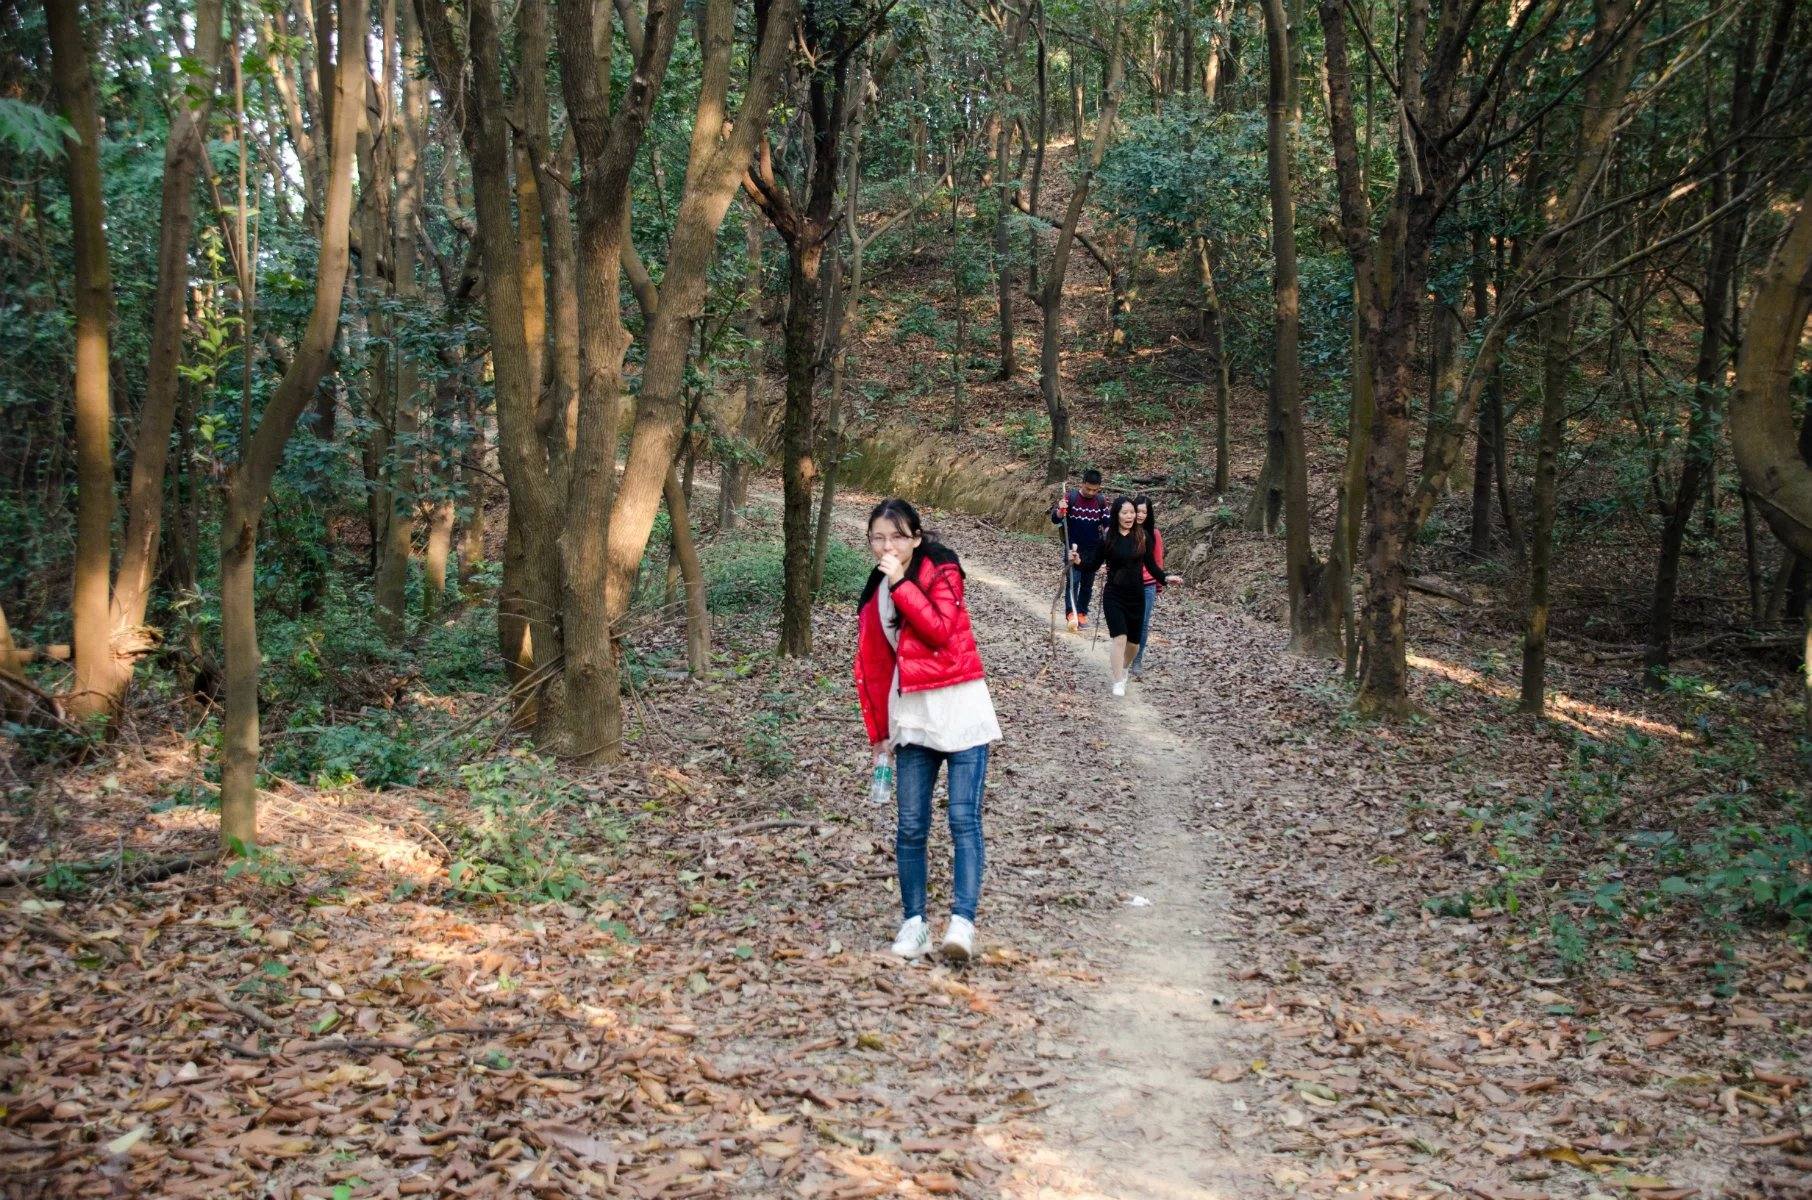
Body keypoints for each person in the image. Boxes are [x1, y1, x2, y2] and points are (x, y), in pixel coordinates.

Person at [854, 499, 1001, 963]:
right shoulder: (875, 590)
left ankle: (962, 922)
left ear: (916, 538)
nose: (887, 546)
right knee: (912, 826)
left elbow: (939, 630)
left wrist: (900, 583)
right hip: (912, 715)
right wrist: (879, 729)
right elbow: (874, 664)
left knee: (963, 819)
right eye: (878, 537)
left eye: (896, 536)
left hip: (960, 707)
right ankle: (914, 923)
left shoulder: (941, 569)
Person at [1072, 496, 1182, 696]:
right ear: (1117, 515)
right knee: (1119, 638)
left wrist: (1166, 578)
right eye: (1125, 513)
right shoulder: (1107, 537)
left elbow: (1151, 566)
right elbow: (1092, 565)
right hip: (1114, 594)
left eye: (1132, 512)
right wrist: (1079, 561)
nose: (1130, 516)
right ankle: (1117, 681)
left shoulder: (1143, 537)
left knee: (1134, 644)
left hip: (1136, 596)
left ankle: (1123, 668)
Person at [1050, 468, 1110, 632]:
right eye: (1088, 488)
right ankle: (1071, 614)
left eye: (1094, 490)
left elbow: (1107, 524)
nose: (1091, 492)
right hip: (1073, 548)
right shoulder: (1071, 497)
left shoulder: (1100, 501)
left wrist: (1109, 541)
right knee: (1073, 581)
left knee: (1087, 585)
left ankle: (1082, 612)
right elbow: (1055, 519)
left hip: (1093, 552)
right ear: (1082, 483)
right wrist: (1061, 511)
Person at [1129, 495, 1168, 678]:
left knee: (1143, 625)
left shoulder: (1154, 534)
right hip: (1127, 583)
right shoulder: (1125, 531)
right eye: (1138, 511)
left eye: (1145, 511)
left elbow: (1158, 560)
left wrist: (1159, 584)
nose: (1141, 515)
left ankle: (1137, 660)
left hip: (1148, 585)